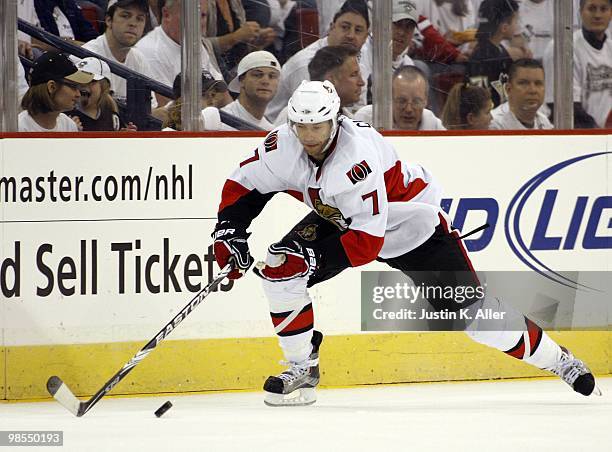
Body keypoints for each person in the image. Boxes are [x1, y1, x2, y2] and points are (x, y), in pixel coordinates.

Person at [212, 80, 601, 406]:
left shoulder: (355, 159)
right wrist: (230, 231)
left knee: (471, 314)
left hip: (410, 221)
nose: (309, 136)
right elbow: (243, 186)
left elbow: (365, 243)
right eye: (302, 126)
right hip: (343, 214)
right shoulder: (284, 145)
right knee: (281, 269)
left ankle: (558, 360)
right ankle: (302, 368)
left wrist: (310, 260)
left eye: (318, 127)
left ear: (336, 120)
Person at [265, 0, 371, 122]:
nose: (351, 35)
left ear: (366, 37)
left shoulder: (356, 60)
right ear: (331, 28)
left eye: (358, 30)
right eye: (345, 27)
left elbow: (356, 111)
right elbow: (309, 116)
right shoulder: (306, 64)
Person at [135, 0, 224, 106]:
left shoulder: (194, 43)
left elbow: (222, 93)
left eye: (203, 16)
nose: (198, 22)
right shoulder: (150, 51)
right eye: (191, 15)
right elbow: (169, 108)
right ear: (166, 14)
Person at [543, 0, 612, 129]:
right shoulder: (562, 47)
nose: (597, 15)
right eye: (591, 8)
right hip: (574, 135)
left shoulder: (610, 48)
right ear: (580, 12)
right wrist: (599, 134)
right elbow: (566, 106)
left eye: (603, 9)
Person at [83, 0, 154, 104]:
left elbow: (150, 111)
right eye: (125, 16)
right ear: (108, 20)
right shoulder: (88, 56)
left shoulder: (140, 60)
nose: (133, 24)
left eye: (140, 19)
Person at [274, 45, 365, 125]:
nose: (361, 82)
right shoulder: (292, 115)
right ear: (331, 81)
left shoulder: (351, 123)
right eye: (353, 75)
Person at [19, 52, 94, 132]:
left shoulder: (69, 125)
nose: (78, 94)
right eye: (73, 86)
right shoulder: (19, 127)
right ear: (52, 87)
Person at [467, 0, 523, 107]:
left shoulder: (500, 49)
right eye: (516, 21)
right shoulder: (481, 57)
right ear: (504, 28)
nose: (517, 25)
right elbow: (477, 100)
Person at [354, 66, 446, 130]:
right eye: (401, 101)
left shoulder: (433, 124)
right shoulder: (366, 119)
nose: (409, 109)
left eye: (416, 102)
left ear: (426, 101)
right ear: (390, 100)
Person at [66, 57, 136, 131]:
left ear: (104, 87)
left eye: (92, 81)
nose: (83, 84)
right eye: (78, 80)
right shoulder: (65, 117)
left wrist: (124, 137)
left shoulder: (113, 119)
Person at [222, 51, 281, 130]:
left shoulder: (271, 131)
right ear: (242, 80)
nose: (266, 81)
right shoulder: (220, 121)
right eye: (257, 75)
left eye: (272, 76)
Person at [490, 58, 552, 130]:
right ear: (508, 89)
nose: (532, 90)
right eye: (524, 83)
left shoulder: (544, 122)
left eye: (538, 83)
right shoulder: (494, 125)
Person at [162, 70, 232, 130]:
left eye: (213, 95)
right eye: (203, 95)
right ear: (183, 100)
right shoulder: (168, 134)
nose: (211, 102)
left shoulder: (216, 125)